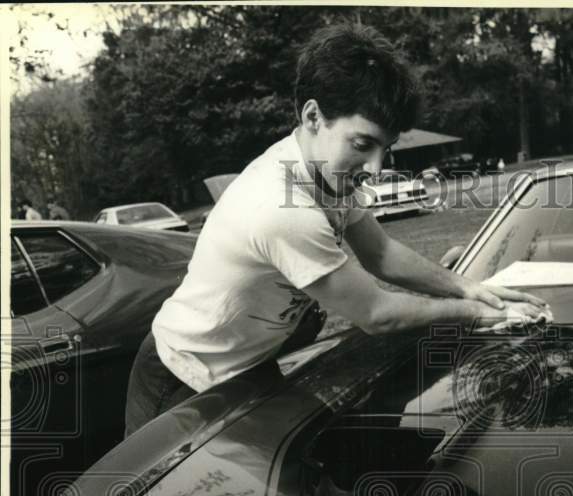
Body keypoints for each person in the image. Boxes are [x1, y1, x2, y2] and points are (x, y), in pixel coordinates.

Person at [125, 23, 545, 437]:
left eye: (386, 148)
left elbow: (380, 253)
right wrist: (478, 313)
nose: (377, 168)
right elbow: (377, 315)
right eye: (362, 145)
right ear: (312, 116)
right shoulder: (279, 206)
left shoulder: (327, 174)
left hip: (246, 367)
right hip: (180, 376)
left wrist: (465, 287)